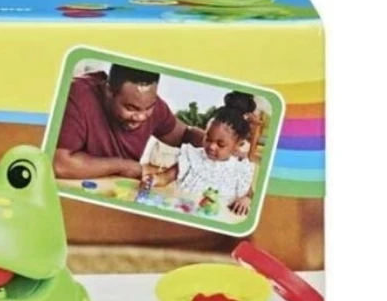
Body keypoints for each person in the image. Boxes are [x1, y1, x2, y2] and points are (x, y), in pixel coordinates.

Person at [53, 64, 205, 180]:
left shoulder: (153, 105)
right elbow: (60, 165)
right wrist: (123, 166)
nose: (141, 117)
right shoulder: (77, 96)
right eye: (131, 108)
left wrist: (215, 144)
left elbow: (184, 134)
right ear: (108, 91)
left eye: (149, 108)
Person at [145, 92, 257, 216]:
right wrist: (153, 179)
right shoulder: (192, 157)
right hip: (182, 213)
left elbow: (249, 195)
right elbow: (165, 177)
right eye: (208, 139)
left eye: (220, 144)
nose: (212, 146)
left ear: (238, 144)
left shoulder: (240, 170)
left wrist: (246, 199)